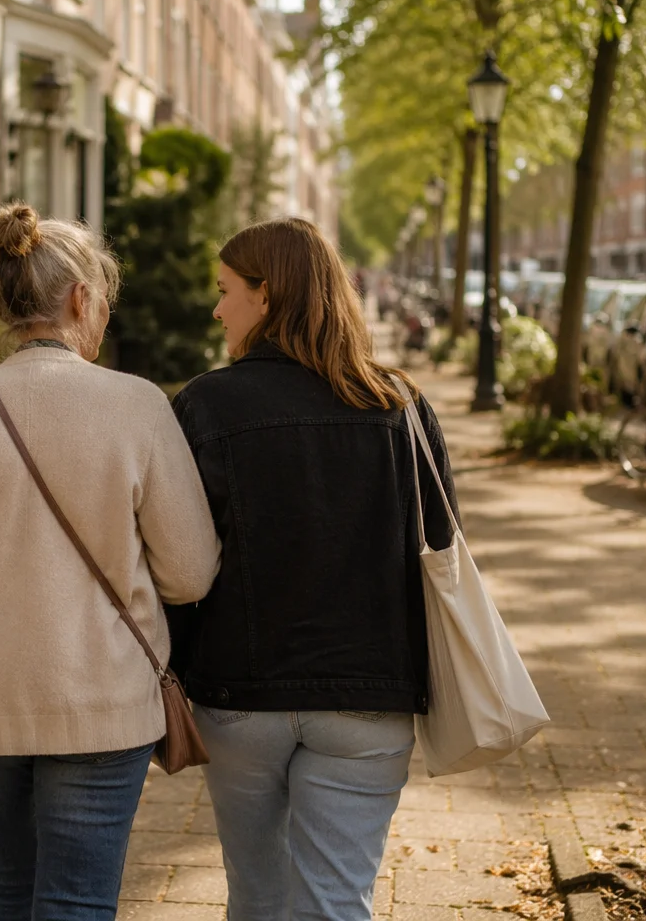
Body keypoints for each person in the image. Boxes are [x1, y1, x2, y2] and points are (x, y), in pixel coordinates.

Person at [0, 203, 221, 921]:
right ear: (78, 300)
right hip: (101, 703)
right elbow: (190, 573)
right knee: (76, 901)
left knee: (7, 888)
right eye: (102, 302)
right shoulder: (137, 406)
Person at [168, 216, 460, 921]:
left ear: (266, 297)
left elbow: (175, 560)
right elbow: (441, 542)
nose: (217, 308)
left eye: (225, 290)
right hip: (369, 695)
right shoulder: (403, 407)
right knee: (336, 904)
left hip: (241, 692)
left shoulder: (206, 404)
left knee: (258, 897)